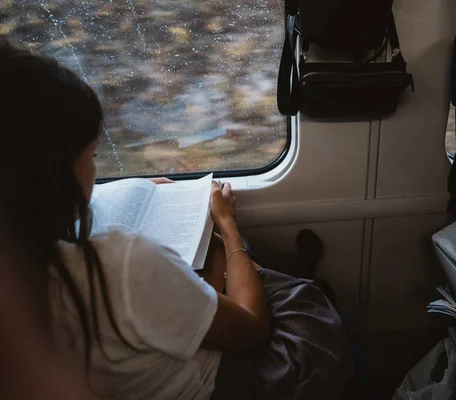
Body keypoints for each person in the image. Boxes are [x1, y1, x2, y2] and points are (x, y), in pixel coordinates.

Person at [0, 38, 352, 399]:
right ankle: (287, 275)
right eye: (92, 155)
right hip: (222, 381)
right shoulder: (118, 264)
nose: (96, 169)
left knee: (226, 261)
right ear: (52, 174)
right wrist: (226, 225)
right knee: (309, 305)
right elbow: (251, 328)